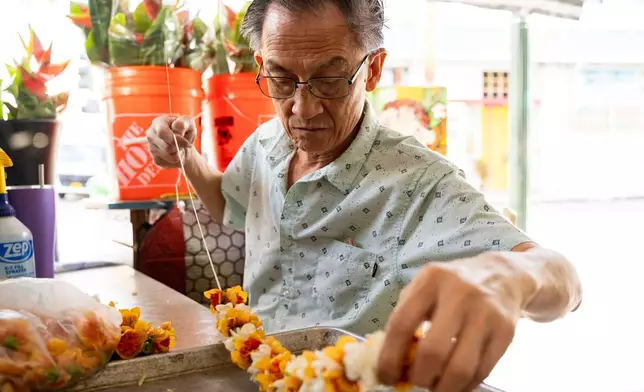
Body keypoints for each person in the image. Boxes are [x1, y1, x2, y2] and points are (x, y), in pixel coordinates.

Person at [146, 1, 582, 391]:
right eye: (281, 78)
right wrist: (186, 156)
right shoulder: (265, 144)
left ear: (372, 70)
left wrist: (510, 276)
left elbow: (564, 281)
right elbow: (231, 203)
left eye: (330, 80)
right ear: (262, 64)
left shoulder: (416, 183)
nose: (303, 109)